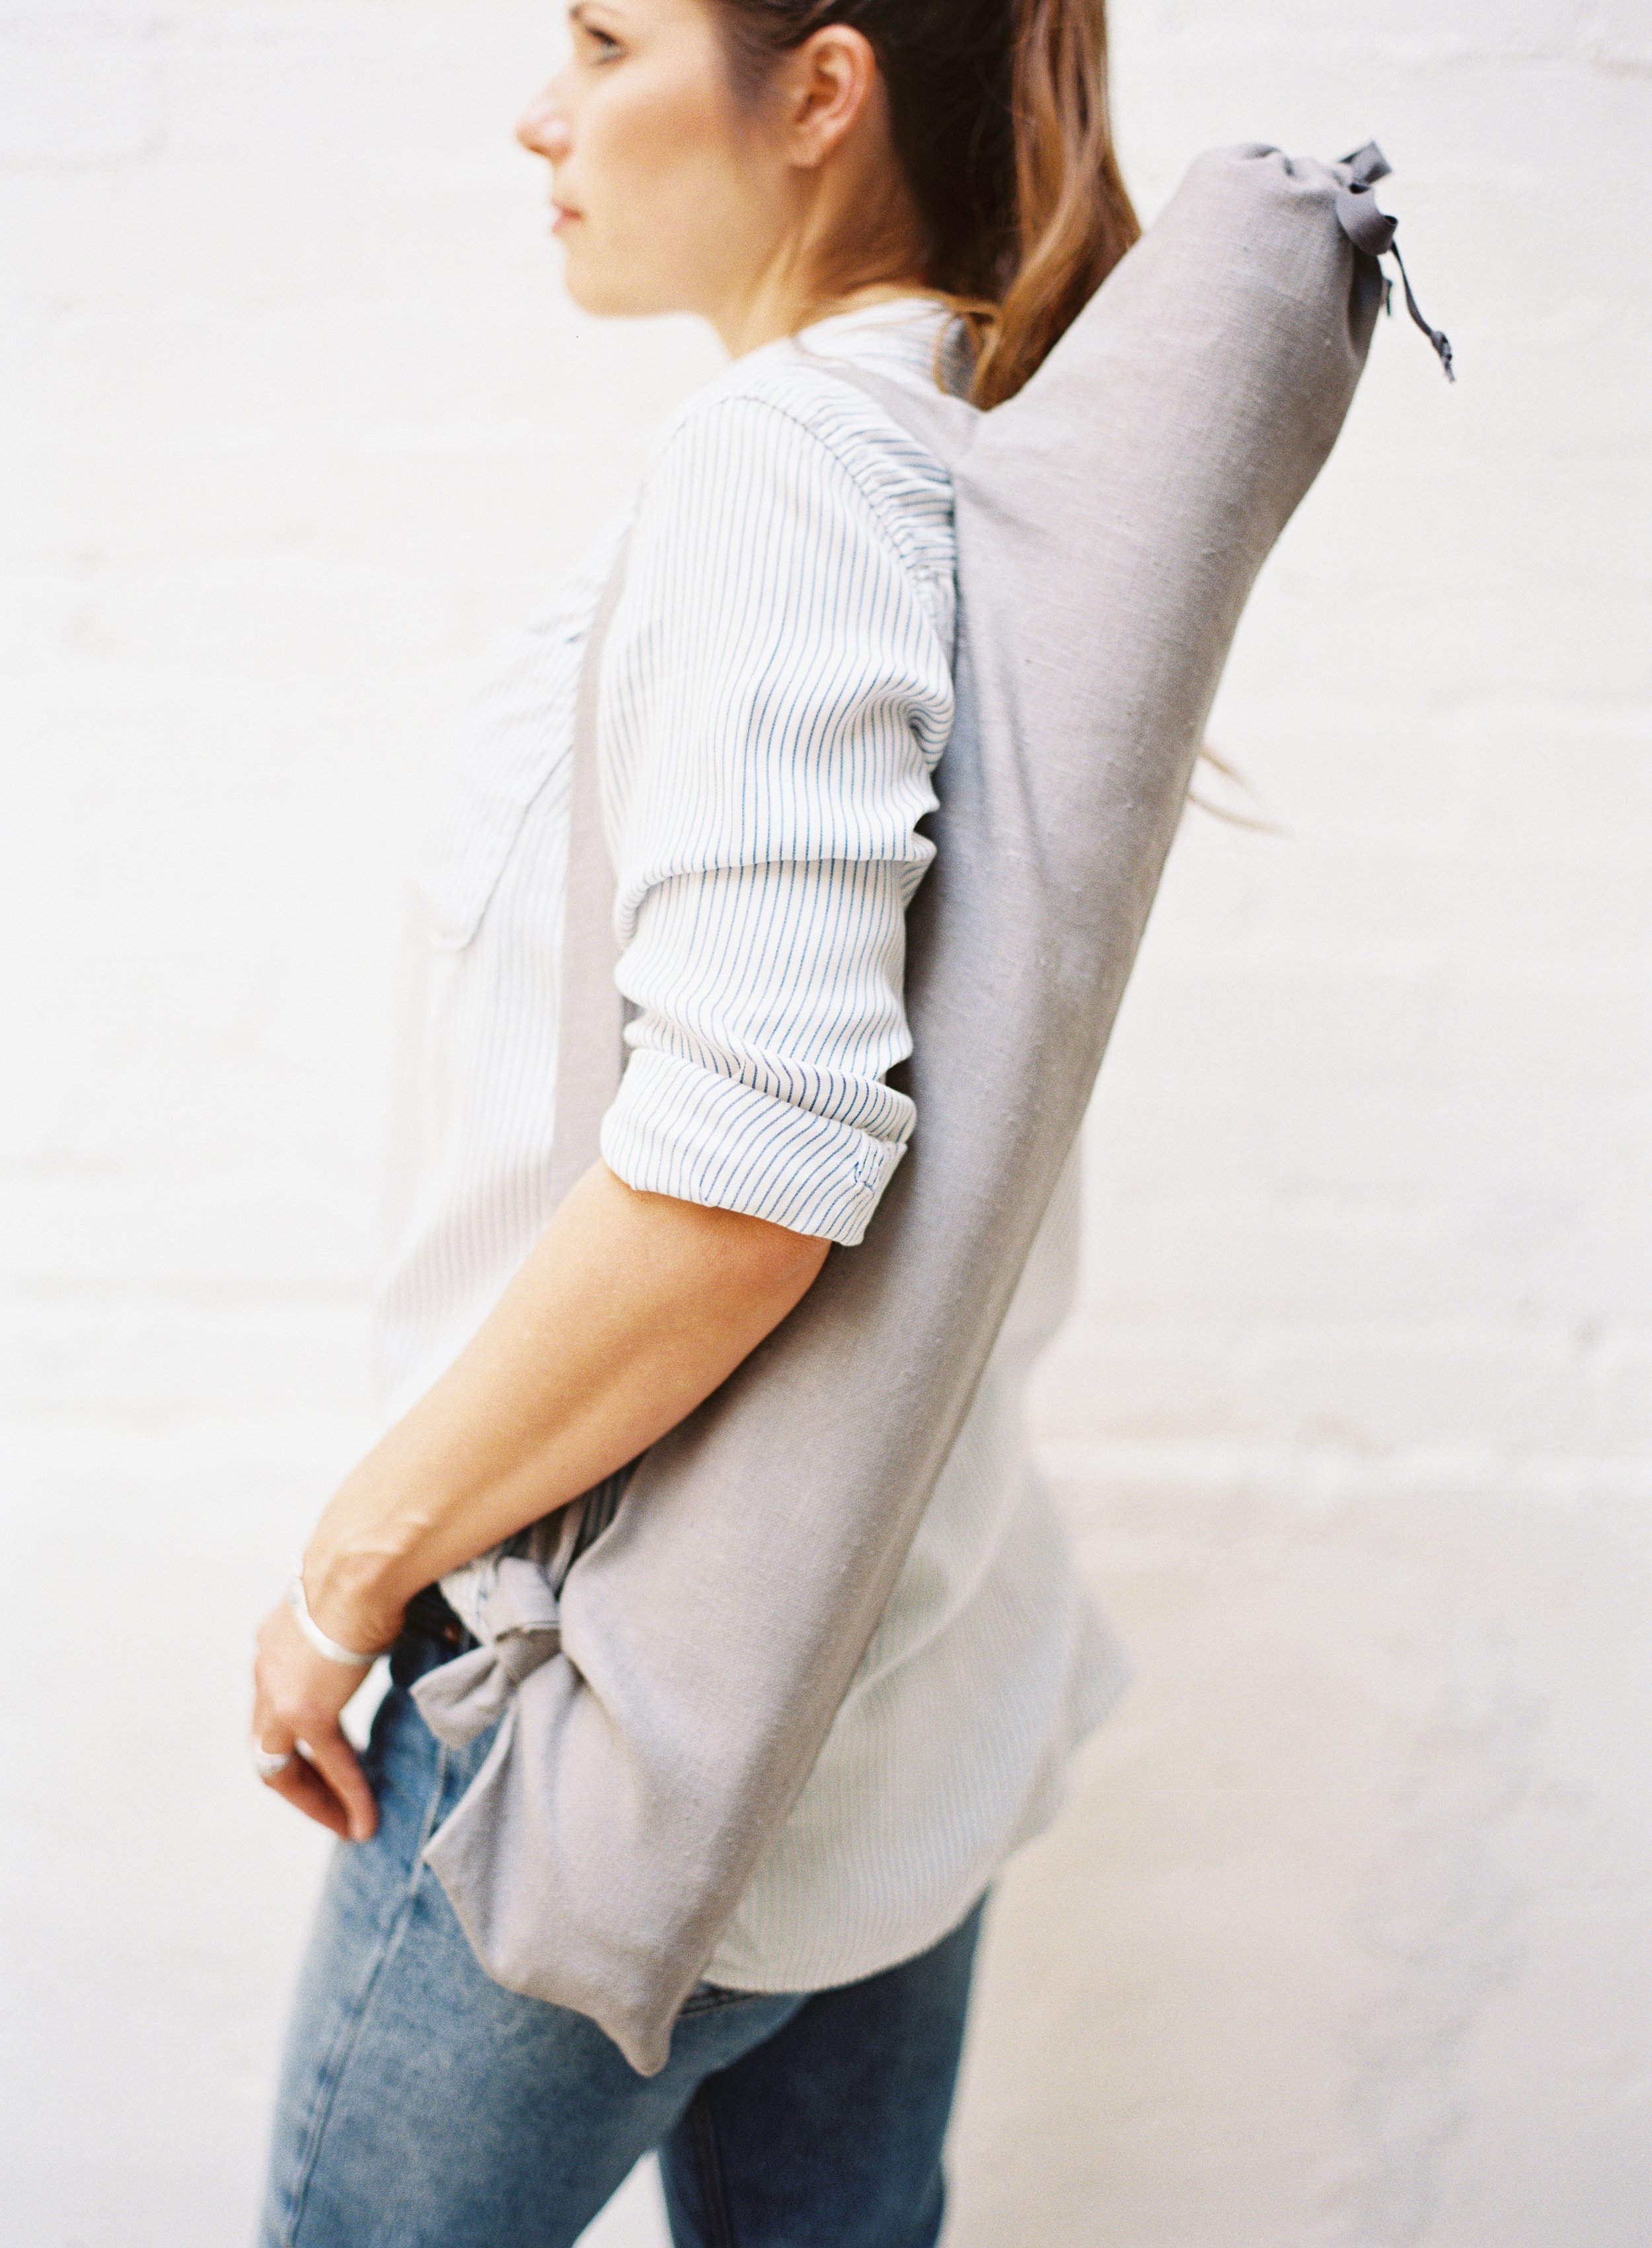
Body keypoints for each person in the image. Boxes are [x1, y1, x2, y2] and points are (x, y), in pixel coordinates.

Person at [252, 3, 1138, 2242]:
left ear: (820, 90)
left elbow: (744, 1167)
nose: (539, 108)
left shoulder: (783, 470)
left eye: (609, 35)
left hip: (603, 1720)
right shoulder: (1000, 450)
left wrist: (349, 1568)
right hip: (895, 1680)